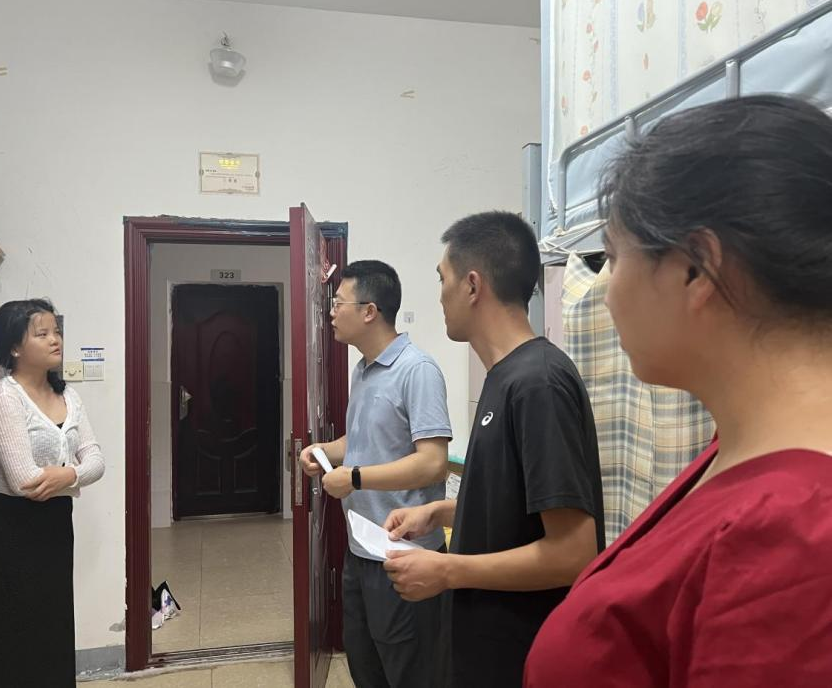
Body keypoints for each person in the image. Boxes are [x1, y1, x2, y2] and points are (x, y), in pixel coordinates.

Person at [524, 95, 832, 687]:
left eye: (613, 257)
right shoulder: (737, 450)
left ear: (695, 267)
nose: (606, 293)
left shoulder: (795, 533)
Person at [383, 212, 605, 686]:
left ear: (472, 285)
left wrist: (447, 571)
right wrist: (441, 512)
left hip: (519, 655)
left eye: (442, 278)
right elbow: (519, 511)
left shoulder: (538, 383)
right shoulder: (505, 376)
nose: (439, 295)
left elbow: (574, 552)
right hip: (481, 647)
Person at [299, 260, 452, 688]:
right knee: (366, 664)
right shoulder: (363, 370)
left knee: (410, 670)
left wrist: (355, 478)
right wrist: (323, 451)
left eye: (339, 303)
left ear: (370, 311)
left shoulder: (417, 371)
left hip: (405, 554)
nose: (331, 312)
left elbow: (432, 462)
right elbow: (362, 439)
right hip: (361, 549)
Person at [0, 299, 105, 687]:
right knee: (17, 630)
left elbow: (97, 460)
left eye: (57, 331)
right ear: (15, 347)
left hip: (56, 525)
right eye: (42, 333)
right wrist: (76, 475)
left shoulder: (68, 396)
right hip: (12, 530)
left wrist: (67, 475)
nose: (55, 340)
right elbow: (25, 482)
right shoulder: (3, 399)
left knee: (53, 623)